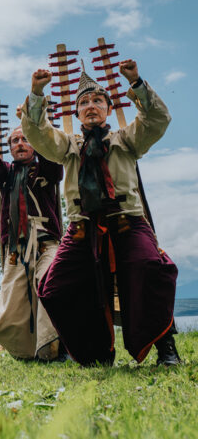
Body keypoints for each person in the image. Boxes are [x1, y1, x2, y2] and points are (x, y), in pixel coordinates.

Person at [21, 59, 180, 366]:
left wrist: (136, 82)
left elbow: (158, 120)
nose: (91, 106)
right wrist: (37, 93)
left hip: (127, 223)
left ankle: (167, 348)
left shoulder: (127, 139)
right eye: (84, 103)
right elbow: (39, 135)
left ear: (108, 108)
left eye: (97, 101)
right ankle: (96, 355)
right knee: (55, 288)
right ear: (76, 113)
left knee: (150, 270)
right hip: (82, 228)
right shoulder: (67, 145)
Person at [0, 111, 65, 361]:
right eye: (15, 141)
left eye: (26, 139)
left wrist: (36, 126)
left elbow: (54, 164)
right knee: (9, 310)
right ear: (10, 148)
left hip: (47, 244)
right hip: (17, 249)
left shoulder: (47, 168)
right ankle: (26, 352)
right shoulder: (5, 174)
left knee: (51, 287)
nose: (20, 144)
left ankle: (58, 349)